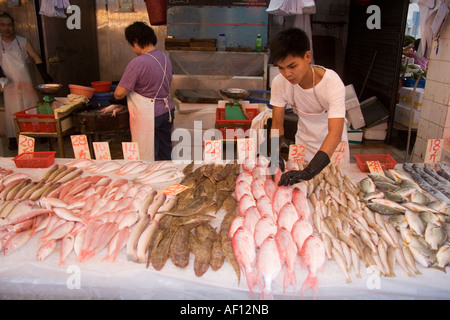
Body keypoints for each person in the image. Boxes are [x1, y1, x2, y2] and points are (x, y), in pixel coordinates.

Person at [269, 28, 349, 186]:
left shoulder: (332, 83)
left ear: (307, 57)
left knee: (332, 189)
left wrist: (310, 171)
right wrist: (274, 154)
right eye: (281, 67)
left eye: (292, 66)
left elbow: (335, 133)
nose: (287, 74)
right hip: (304, 142)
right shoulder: (279, 82)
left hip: (332, 148)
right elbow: (277, 124)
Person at [113, 21, 174, 161]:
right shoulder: (165, 57)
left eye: (131, 44)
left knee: (149, 155)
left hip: (150, 115)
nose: (132, 48)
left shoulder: (138, 63)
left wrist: (116, 97)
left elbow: (119, 93)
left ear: (135, 41)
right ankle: (168, 178)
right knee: (164, 153)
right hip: (167, 112)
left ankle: (151, 180)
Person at [0, 12, 53, 150]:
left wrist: (44, 76)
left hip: (25, 81)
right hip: (9, 84)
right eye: (3, 25)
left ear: (13, 26)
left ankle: (38, 134)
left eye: (9, 25)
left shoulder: (22, 41)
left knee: (31, 106)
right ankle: (13, 138)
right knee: (12, 109)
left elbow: (36, 57)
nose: (7, 28)